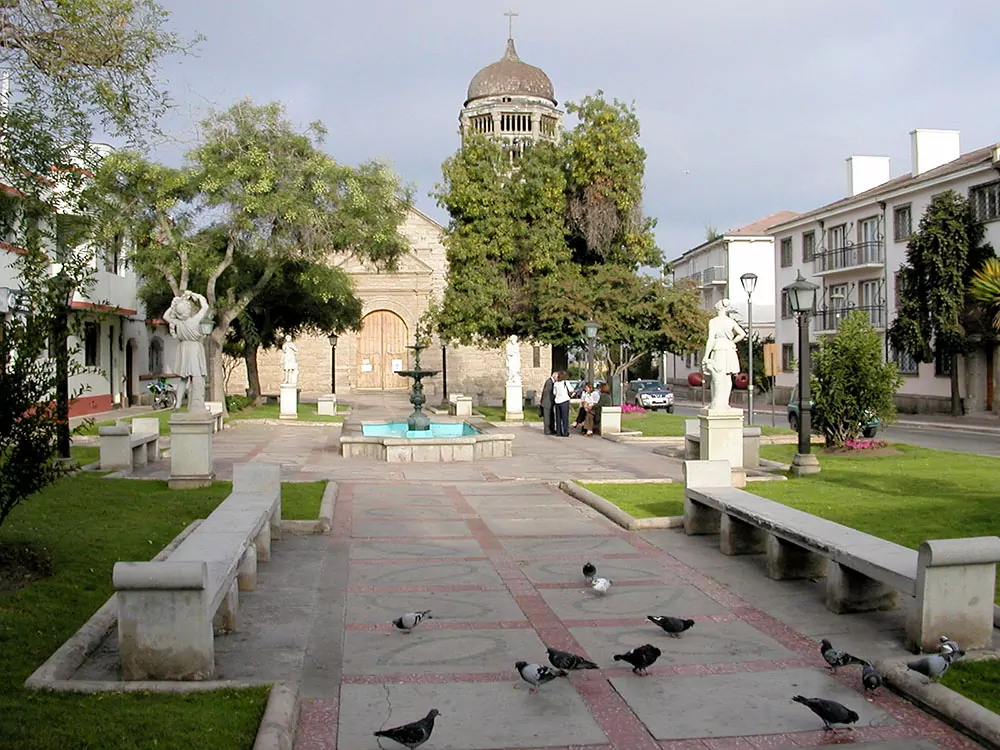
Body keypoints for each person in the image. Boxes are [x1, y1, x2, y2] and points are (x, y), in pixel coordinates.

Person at [163, 290, 210, 411]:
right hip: (195, 349)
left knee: (183, 379)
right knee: (197, 377)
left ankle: (178, 404)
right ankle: (197, 404)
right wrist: (196, 295)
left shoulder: (178, 323)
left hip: (184, 349)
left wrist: (174, 305)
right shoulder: (195, 320)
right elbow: (205, 306)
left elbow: (166, 316)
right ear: (188, 311)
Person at [702, 298, 746, 411]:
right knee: (727, 378)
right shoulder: (730, 322)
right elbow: (742, 334)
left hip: (719, 349)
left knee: (716, 377)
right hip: (730, 350)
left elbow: (711, 338)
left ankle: (716, 402)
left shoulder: (713, 321)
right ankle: (725, 403)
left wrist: (706, 355)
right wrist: (732, 341)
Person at [552, 370, 572, 437]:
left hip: (557, 401)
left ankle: (559, 432)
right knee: (565, 417)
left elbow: (554, 393)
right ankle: (565, 432)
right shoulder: (566, 382)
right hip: (564, 401)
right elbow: (571, 390)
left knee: (558, 417)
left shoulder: (556, 384)